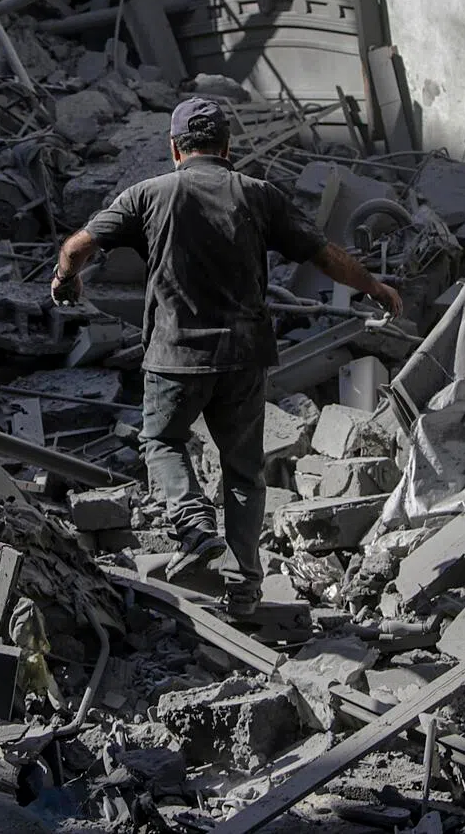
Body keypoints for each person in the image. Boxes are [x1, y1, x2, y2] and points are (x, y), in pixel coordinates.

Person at [50, 98, 403, 620]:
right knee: (243, 472)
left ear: (174, 148)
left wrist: (65, 278)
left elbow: (79, 246)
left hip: (174, 357)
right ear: (227, 147)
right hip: (243, 356)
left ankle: (193, 524)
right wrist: (372, 285)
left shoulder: (147, 195)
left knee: (162, 440)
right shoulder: (260, 195)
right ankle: (244, 587)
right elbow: (323, 255)